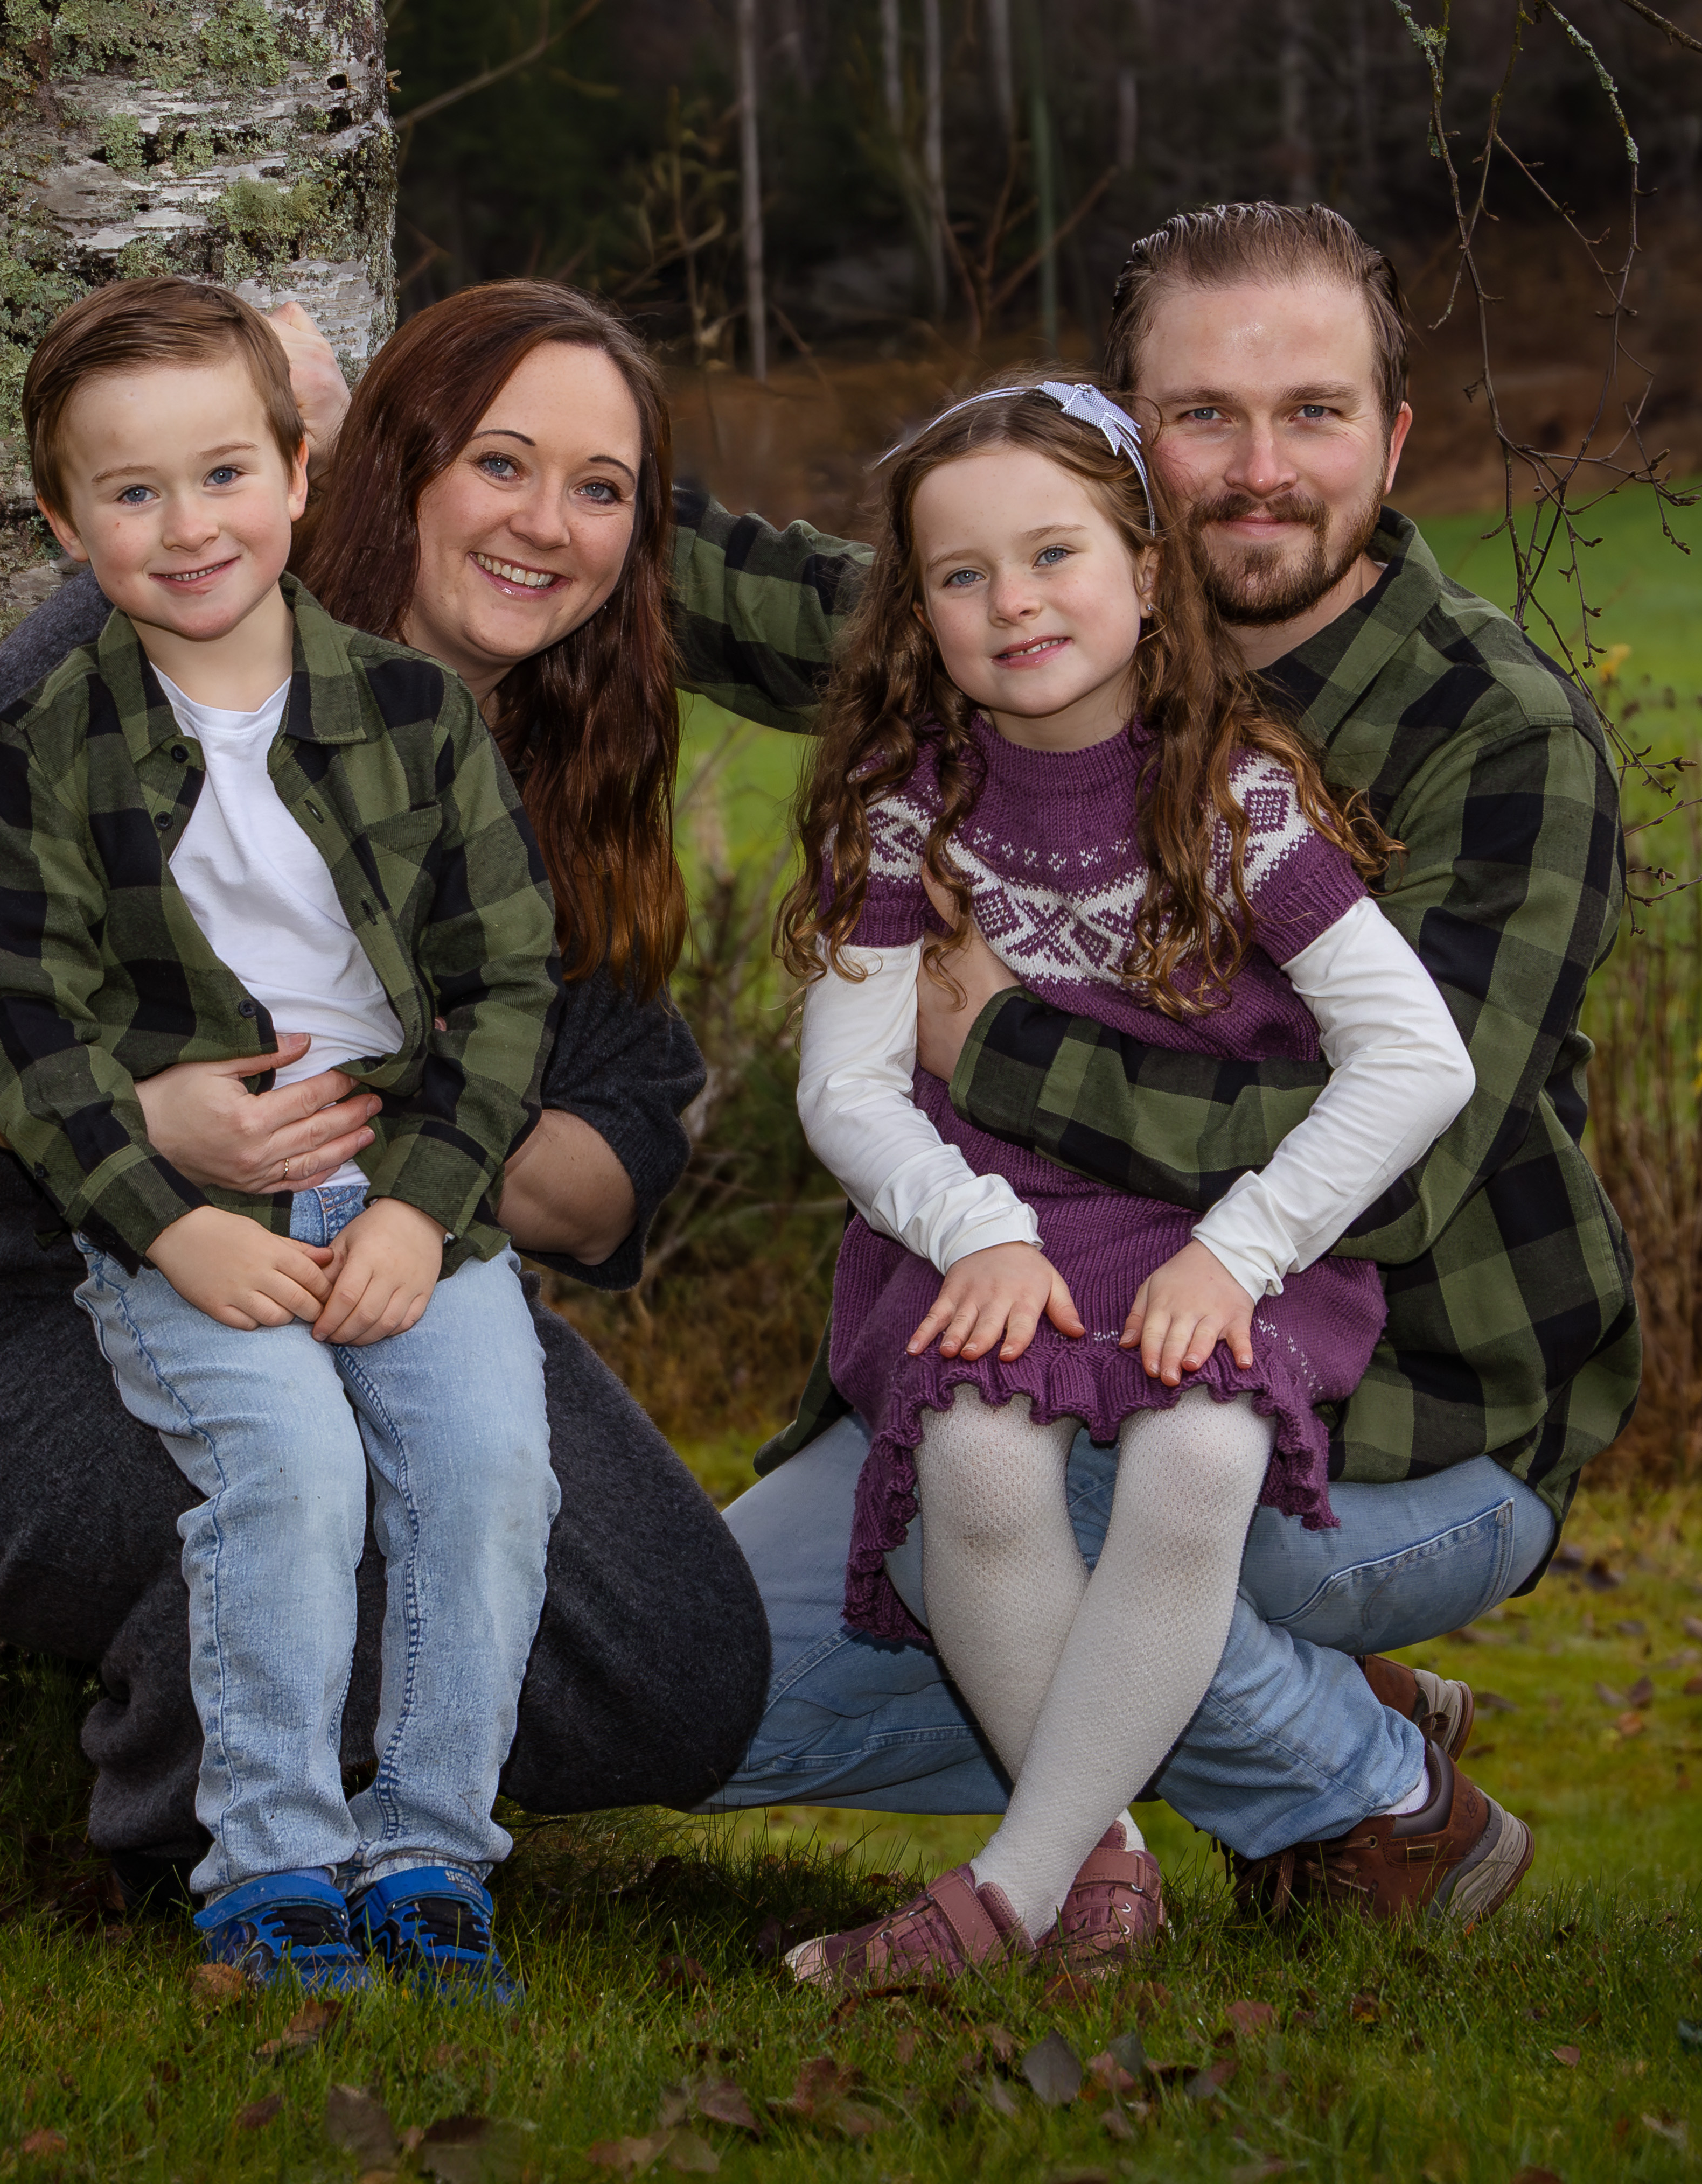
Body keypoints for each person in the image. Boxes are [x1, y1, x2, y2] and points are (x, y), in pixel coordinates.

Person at [672, 203, 1637, 1920]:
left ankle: (1358, 1805)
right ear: (1120, 446)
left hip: (1411, 1412)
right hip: (1052, 1295)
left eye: (1313, 412)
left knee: (1011, 1465)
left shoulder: (1496, 736)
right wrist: (389, 435)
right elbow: (722, 574)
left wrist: (998, 1045)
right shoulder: (1022, 620)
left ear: (1392, 438)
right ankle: (1243, 1720)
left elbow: (1410, 1150)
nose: (1258, 471)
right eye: (1202, 416)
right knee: (662, 1687)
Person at [0, 288, 766, 1948]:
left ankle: (393, 1792)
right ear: (388, 462)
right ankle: (232, 1841)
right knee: (315, 1513)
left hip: (389, 1251)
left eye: (600, 488)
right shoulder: (153, 630)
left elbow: (608, 1168)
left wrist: (411, 1151)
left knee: (681, 1664)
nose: (544, 523)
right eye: (499, 463)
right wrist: (150, 1122)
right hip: (45, 1287)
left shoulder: (549, 757)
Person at [771, 379, 1480, 1986]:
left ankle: (1009, 1898)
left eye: (1053, 554)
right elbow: (845, 1090)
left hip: (1207, 1235)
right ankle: (1101, 1880)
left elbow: (1417, 1058)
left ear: (1146, 572)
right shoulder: (904, 810)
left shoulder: (1230, 795)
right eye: (961, 575)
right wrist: (972, 1231)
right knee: (975, 1465)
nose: (1012, 602)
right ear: (919, 615)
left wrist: (1240, 1253)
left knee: (1197, 1456)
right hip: (989, 1229)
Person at [0, 278, 562, 1999]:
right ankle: (272, 1866)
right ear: (64, 522)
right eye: (131, 492)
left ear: (299, 475)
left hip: (414, 1187)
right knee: (289, 1472)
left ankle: (430, 1857)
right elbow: (18, 1023)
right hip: (186, 1214)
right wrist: (167, 1223)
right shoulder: (47, 748)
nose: (187, 526)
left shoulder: (415, 718)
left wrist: (422, 1210)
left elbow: (507, 983)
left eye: (223, 473)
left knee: (487, 1474)